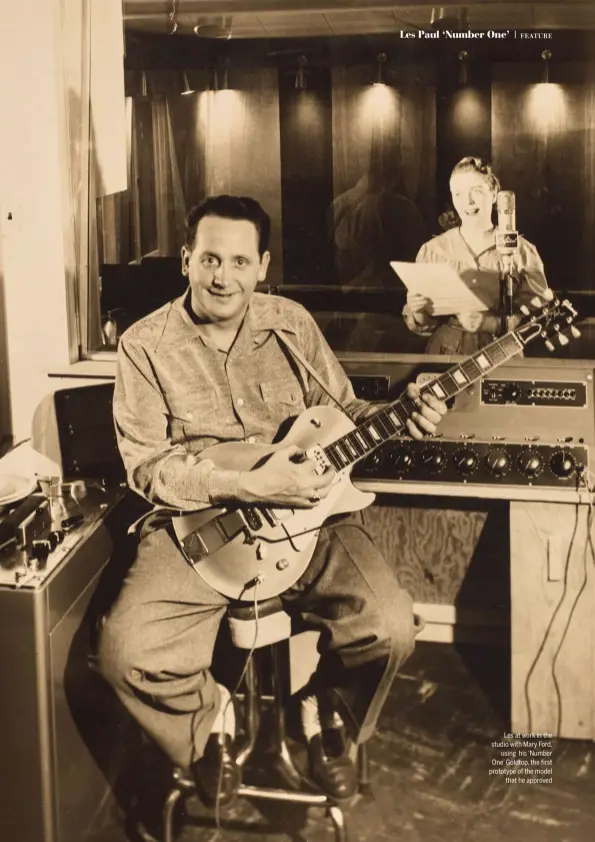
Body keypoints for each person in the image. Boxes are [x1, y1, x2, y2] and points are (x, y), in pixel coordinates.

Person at [98, 195, 446, 809]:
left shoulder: (291, 322)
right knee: (127, 652)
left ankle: (322, 713)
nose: (221, 276)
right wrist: (246, 485)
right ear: (186, 259)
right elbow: (148, 468)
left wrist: (404, 412)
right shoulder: (143, 345)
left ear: (261, 266)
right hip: (196, 527)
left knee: (390, 629)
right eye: (208, 258)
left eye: (238, 261)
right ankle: (210, 728)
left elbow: (344, 418)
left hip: (316, 522)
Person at [403, 156, 549, 355]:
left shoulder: (522, 251)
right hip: (445, 355)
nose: (468, 202)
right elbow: (424, 324)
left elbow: (542, 318)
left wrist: (492, 324)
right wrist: (418, 309)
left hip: (503, 356)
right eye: (459, 194)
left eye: (477, 192)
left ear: (494, 193)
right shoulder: (433, 250)